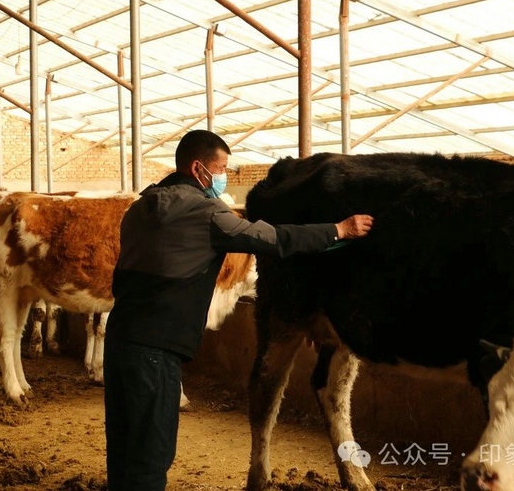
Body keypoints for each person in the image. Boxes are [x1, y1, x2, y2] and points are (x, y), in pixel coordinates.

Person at [103, 129, 373, 490]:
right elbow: (275, 239)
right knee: (152, 451)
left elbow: (122, 278)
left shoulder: (139, 208)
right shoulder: (207, 213)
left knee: (124, 443)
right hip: (157, 349)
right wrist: (338, 230)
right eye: (221, 169)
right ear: (198, 169)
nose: (224, 177)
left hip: (120, 339)